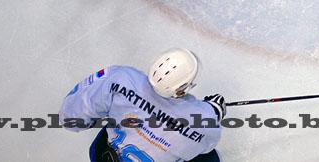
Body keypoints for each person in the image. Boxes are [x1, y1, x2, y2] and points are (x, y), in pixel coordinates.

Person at [60, 48, 225, 162]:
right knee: (208, 156)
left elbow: (70, 119)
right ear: (182, 88)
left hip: (101, 155)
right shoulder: (203, 122)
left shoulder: (121, 78)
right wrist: (213, 111)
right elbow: (207, 144)